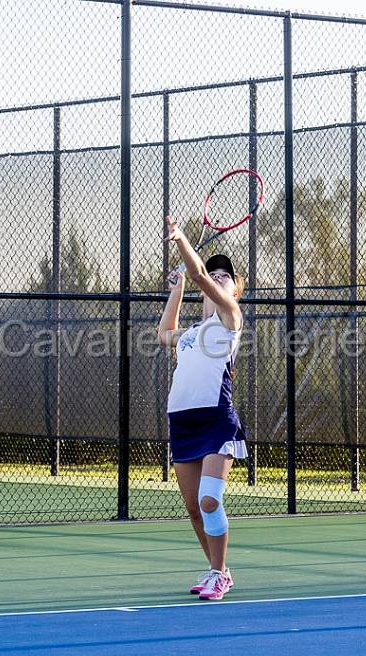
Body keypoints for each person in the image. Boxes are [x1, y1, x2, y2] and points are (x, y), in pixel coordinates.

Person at [157, 215, 248, 601]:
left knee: (210, 500)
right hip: (183, 423)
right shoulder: (193, 334)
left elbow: (198, 275)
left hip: (215, 421)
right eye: (215, 274)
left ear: (234, 291)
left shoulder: (230, 319)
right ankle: (218, 570)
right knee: (195, 509)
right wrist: (177, 289)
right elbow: (164, 334)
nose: (218, 276)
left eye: (225, 275)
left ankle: (219, 574)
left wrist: (180, 240)